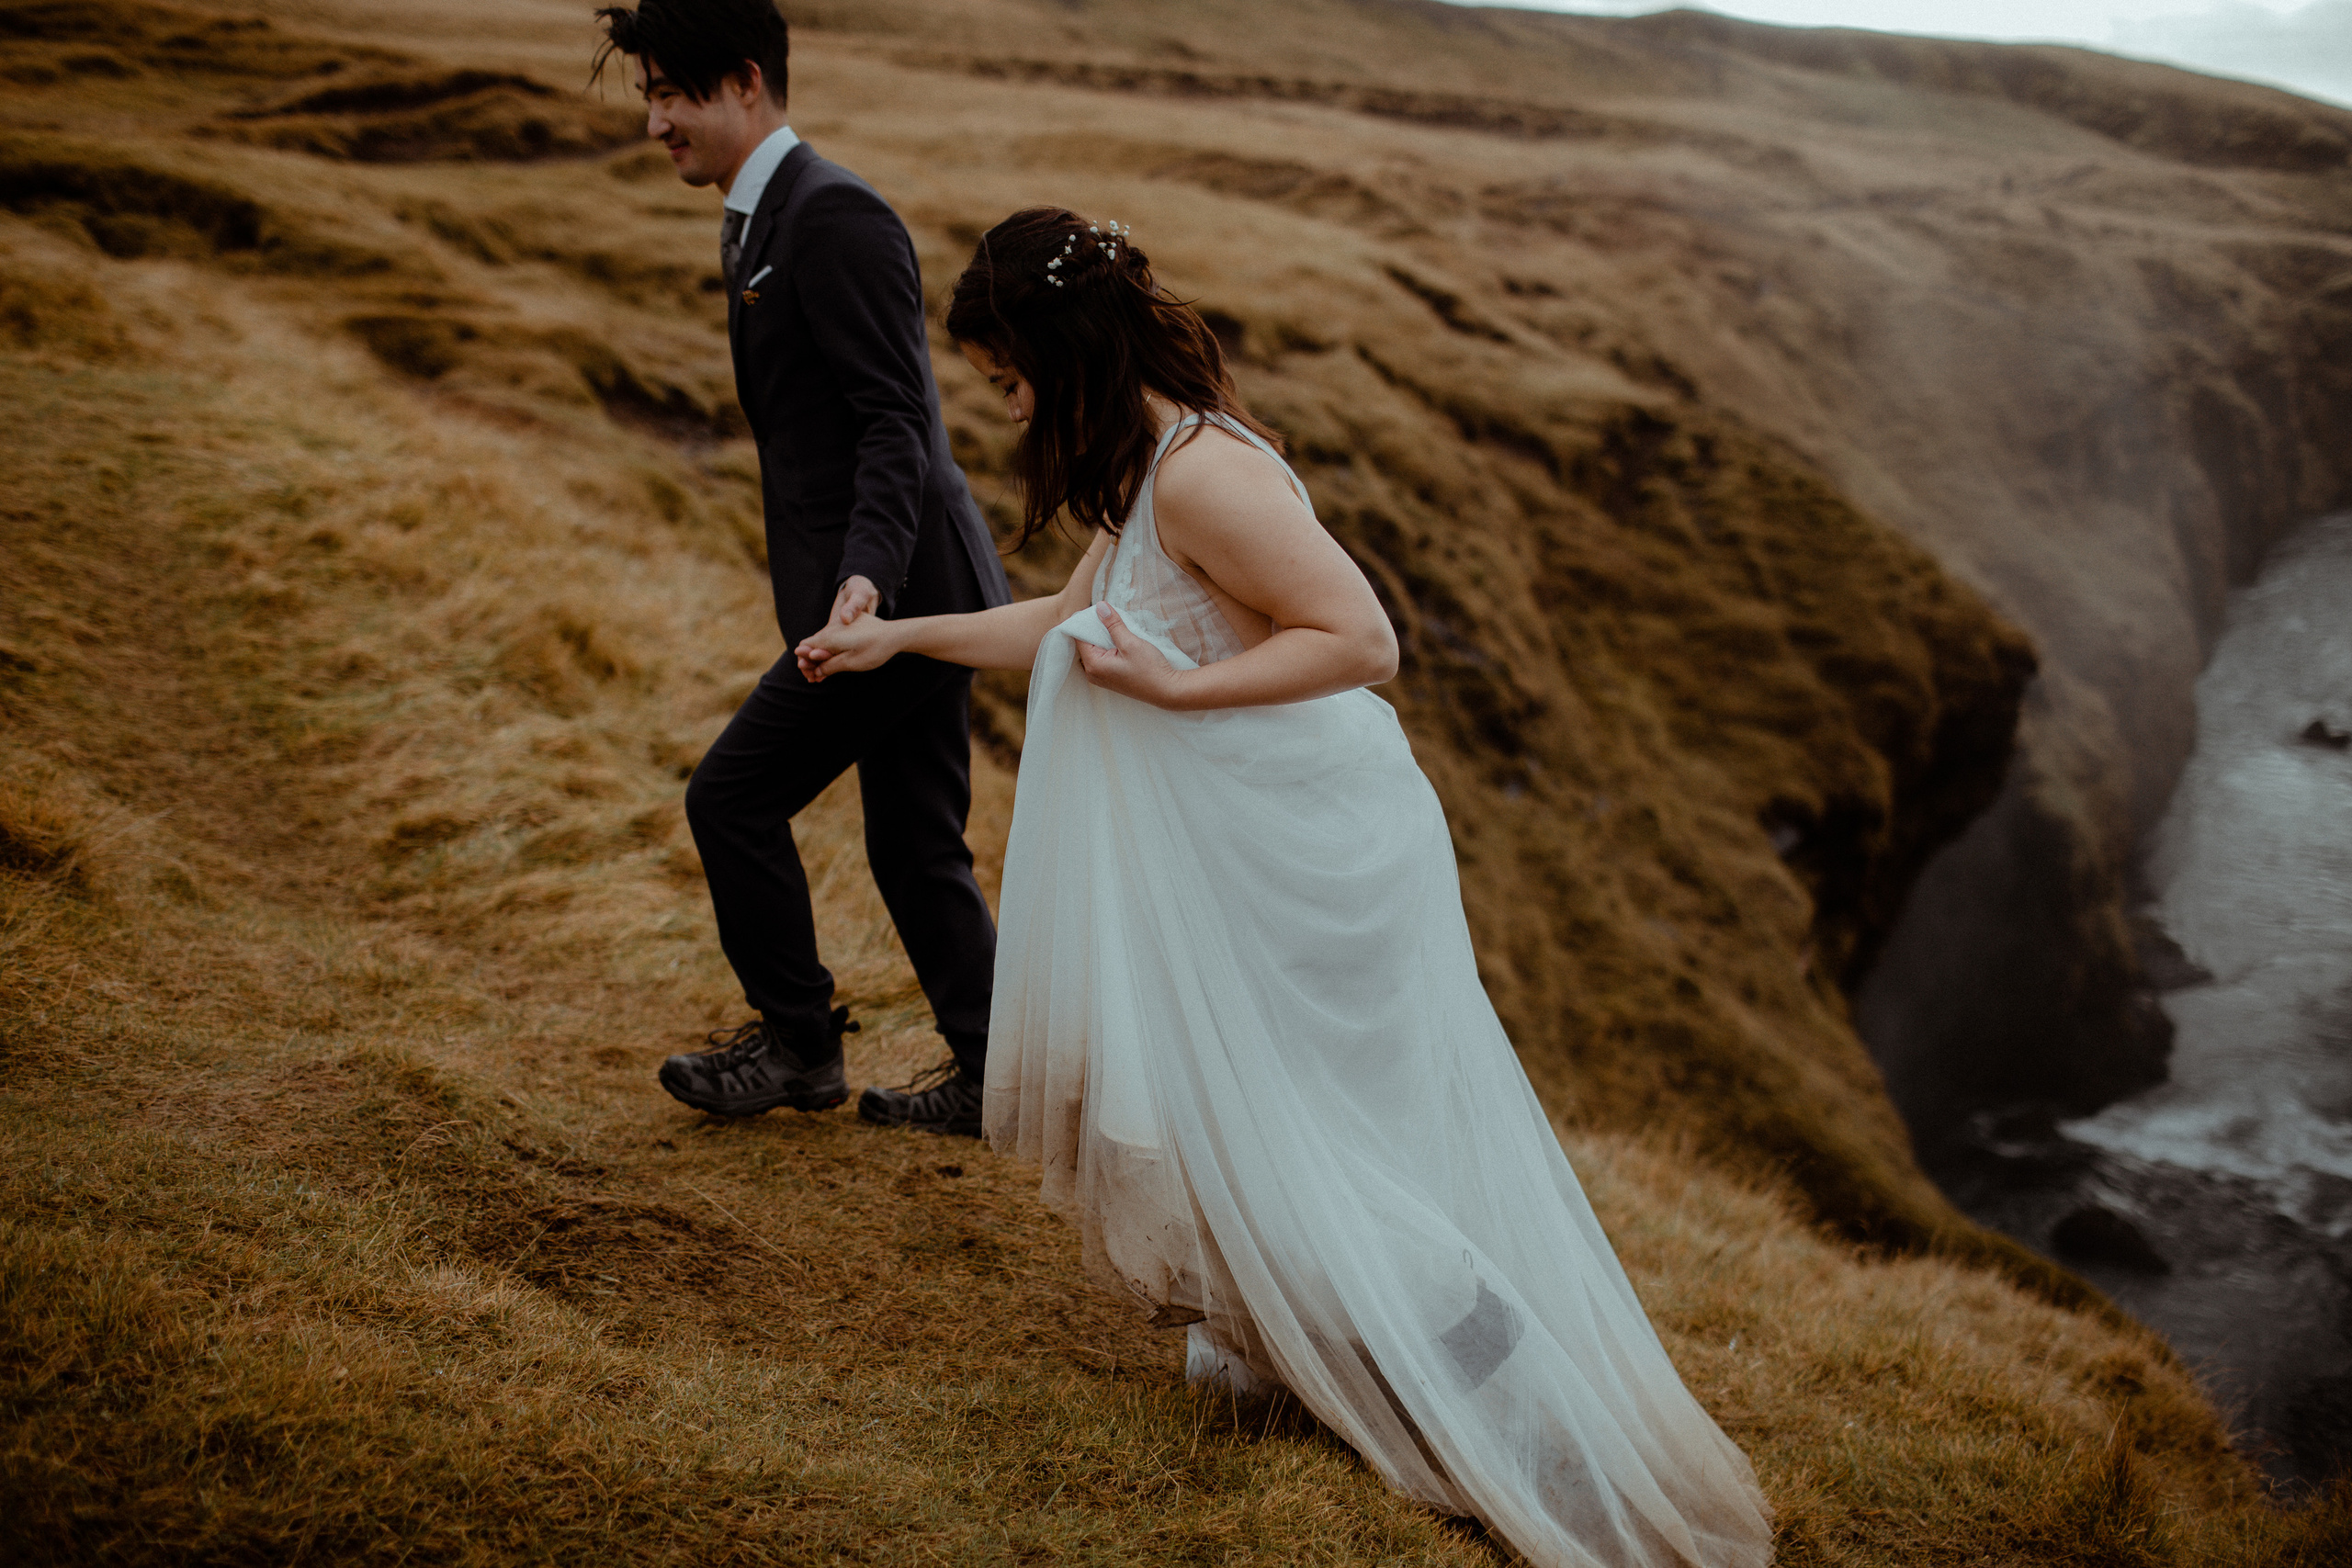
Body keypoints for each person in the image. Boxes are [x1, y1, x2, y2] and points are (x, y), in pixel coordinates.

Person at [797, 208, 1775, 1567]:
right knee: (1250, 1107)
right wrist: (897, 638)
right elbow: (1064, 622)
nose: (1008, 409)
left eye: (1011, 381)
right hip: (1245, 843)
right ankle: (1319, 1337)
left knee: (1308, 1116)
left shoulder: (1203, 476)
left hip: (1310, 850)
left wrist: (1180, 691)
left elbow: (1361, 638)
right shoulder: (1145, 471)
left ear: (1069, 355)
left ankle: (1467, 1343)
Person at [592, 0, 1010, 1135]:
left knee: (730, 797)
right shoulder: (758, 216)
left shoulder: (833, 215)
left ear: (744, 82)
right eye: (649, 97)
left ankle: (798, 1044)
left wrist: (865, 578)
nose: (655, 124)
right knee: (914, 840)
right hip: (907, 579)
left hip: (894, 593)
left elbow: (896, 420)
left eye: (670, 95)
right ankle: (994, 1074)